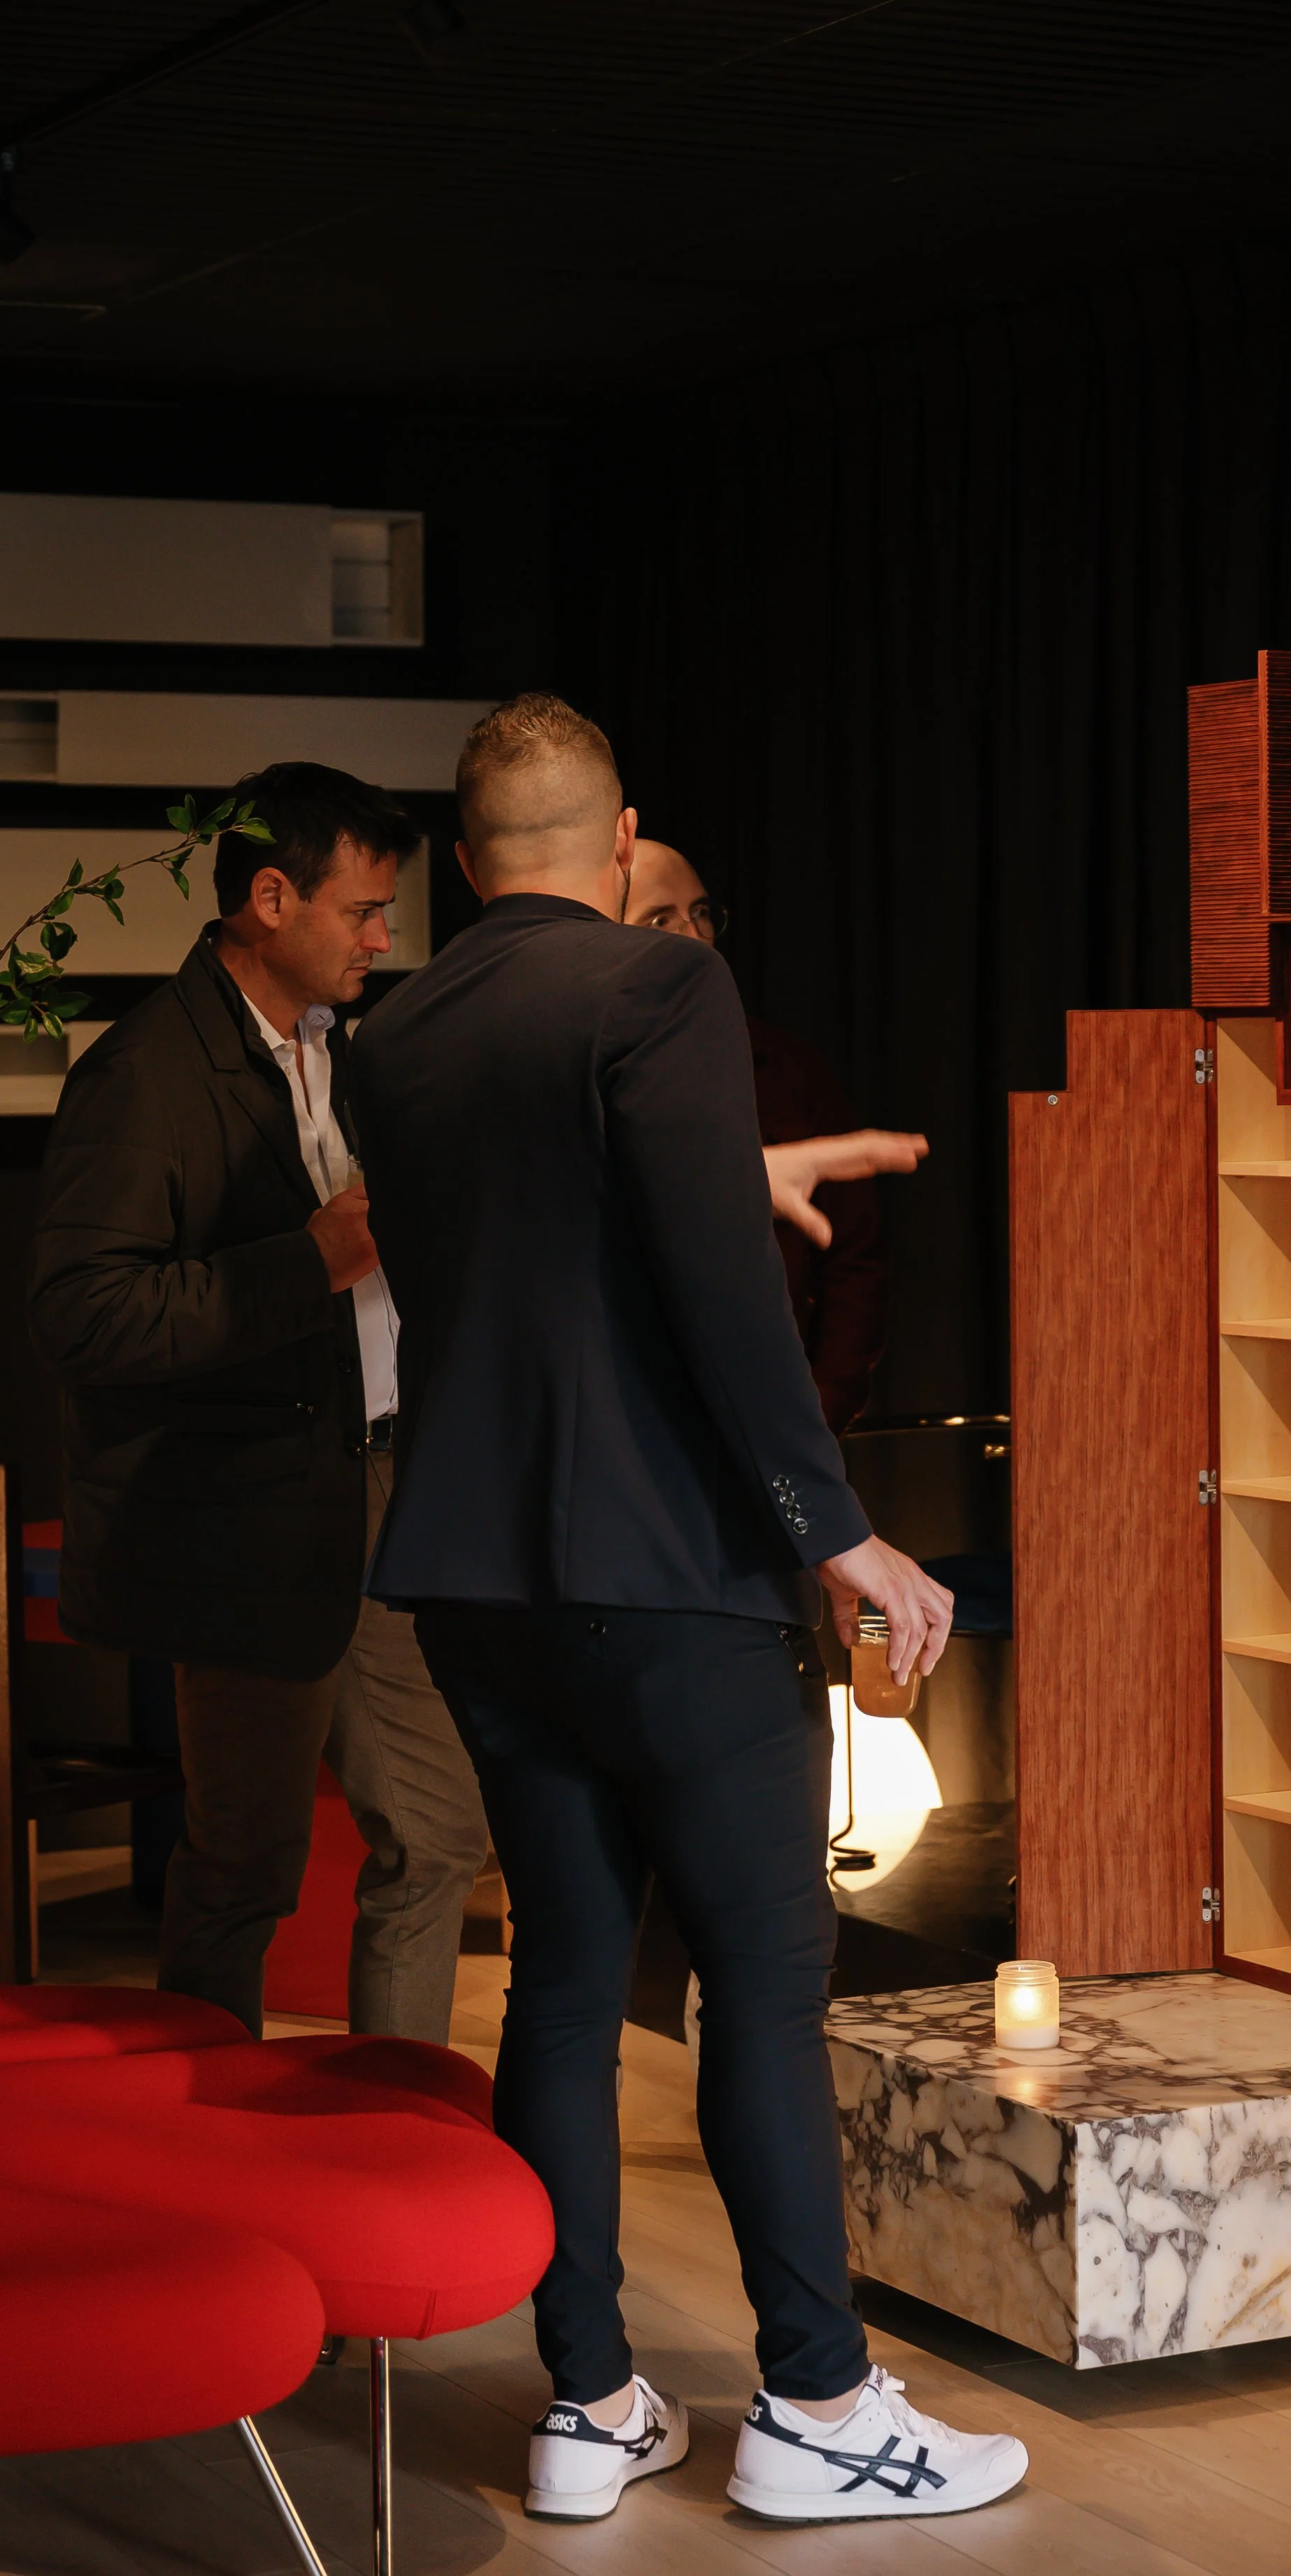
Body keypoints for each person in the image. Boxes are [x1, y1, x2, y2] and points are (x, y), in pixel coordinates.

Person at [350, 692, 1027, 2527]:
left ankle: (587, 2397)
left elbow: (533, 1252)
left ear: (463, 855)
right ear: (624, 834)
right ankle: (816, 2399)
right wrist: (840, 1532)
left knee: (565, 1979)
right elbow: (721, 1301)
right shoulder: (662, 990)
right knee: (762, 1982)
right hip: (666, 1575)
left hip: (472, 1578)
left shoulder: (389, 1034)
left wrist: (735, 1177)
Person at [27, 764, 490, 2042]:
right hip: (240, 1523)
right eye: (363, 911)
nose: (384, 938)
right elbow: (85, 1315)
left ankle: (397, 2131)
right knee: (244, 1871)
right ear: (269, 899)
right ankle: (213, 2158)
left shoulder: (348, 1056)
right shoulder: (144, 1075)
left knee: (441, 1832)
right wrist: (316, 1259)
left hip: (386, 1492)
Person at [628, 838, 885, 1433]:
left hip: (779, 1418)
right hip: (642, 1430)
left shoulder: (784, 1065)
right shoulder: (581, 1071)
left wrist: (825, 1405)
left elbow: (856, 1258)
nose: (694, 936)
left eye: (700, 913)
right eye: (659, 918)